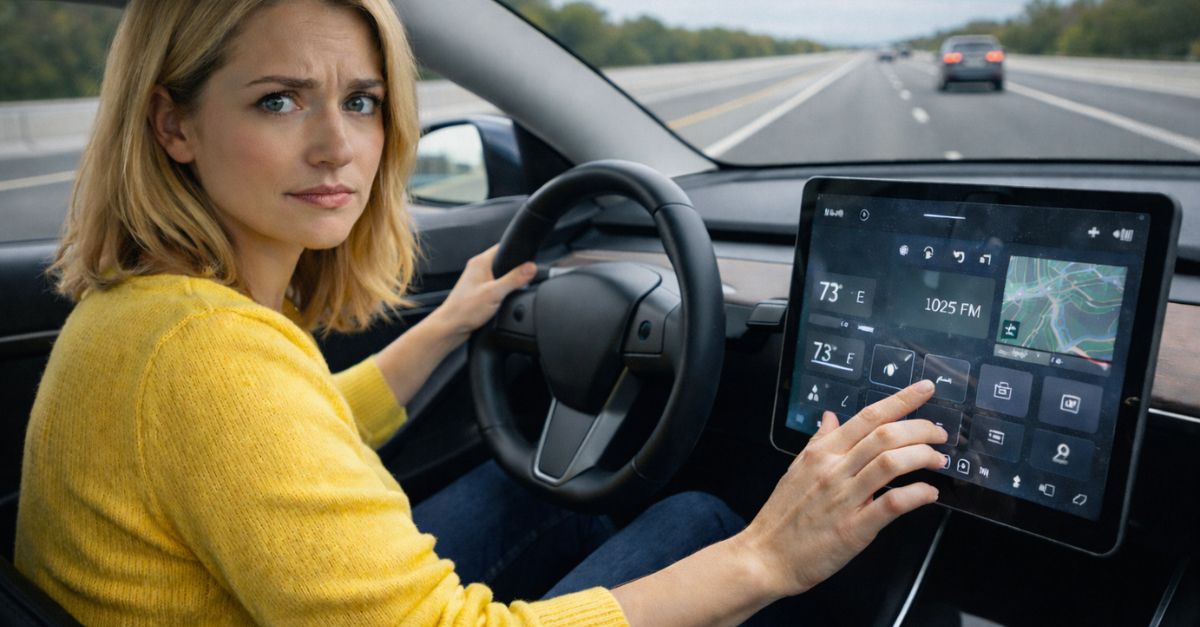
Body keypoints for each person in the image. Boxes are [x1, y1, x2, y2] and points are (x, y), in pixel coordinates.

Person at [13, 0, 948, 625]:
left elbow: (291, 433)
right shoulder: (207, 355)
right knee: (704, 520)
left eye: (363, 100)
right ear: (173, 124)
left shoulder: (150, 316)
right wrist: (768, 558)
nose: (338, 145)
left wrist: (450, 324)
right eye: (280, 100)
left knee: (533, 488)